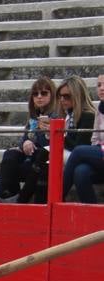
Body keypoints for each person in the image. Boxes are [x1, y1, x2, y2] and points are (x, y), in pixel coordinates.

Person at [21, 75, 96, 203]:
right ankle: (31, 200)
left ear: (78, 96)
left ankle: (27, 199)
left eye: (67, 96)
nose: (62, 100)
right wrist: (50, 133)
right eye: (60, 96)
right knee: (44, 158)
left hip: (82, 156)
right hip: (70, 153)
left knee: (46, 155)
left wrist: (56, 134)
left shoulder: (88, 115)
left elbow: (78, 147)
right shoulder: (67, 114)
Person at [0, 76, 57, 202]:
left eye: (44, 93)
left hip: (43, 160)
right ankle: (5, 191)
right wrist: (26, 142)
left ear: (52, 95)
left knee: (37, 155)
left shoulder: (56, 116)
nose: (39, 97)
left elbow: (49, 146)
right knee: (10, 154)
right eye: (35, 94)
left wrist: (43, 133)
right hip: (30, 157)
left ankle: (17, 198)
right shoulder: (34, 116)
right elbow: (24, 139)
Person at [64, 73, 104, 202]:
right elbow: (95, 137)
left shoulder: (90, 113)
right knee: (80, 171)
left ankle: (55, 199)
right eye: (99, 85)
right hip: (101, 155)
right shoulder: (100, 108)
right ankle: (92, 215)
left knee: (79, 151)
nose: (101, 88)